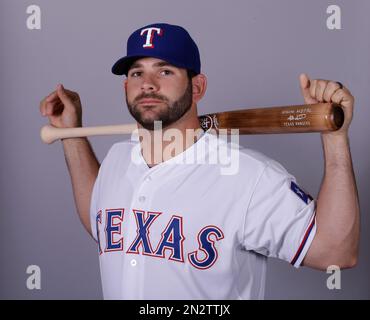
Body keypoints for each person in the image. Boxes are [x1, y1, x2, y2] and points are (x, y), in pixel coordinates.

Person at [39, 23, 360, 299]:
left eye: (165, 70)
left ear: (197, 87)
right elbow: (103, 224)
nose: (148, 83)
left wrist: (334, 139)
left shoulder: (248, 177)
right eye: (137, 72)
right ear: (126, 87)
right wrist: (72, 133)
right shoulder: (117, 158)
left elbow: (336, 252)